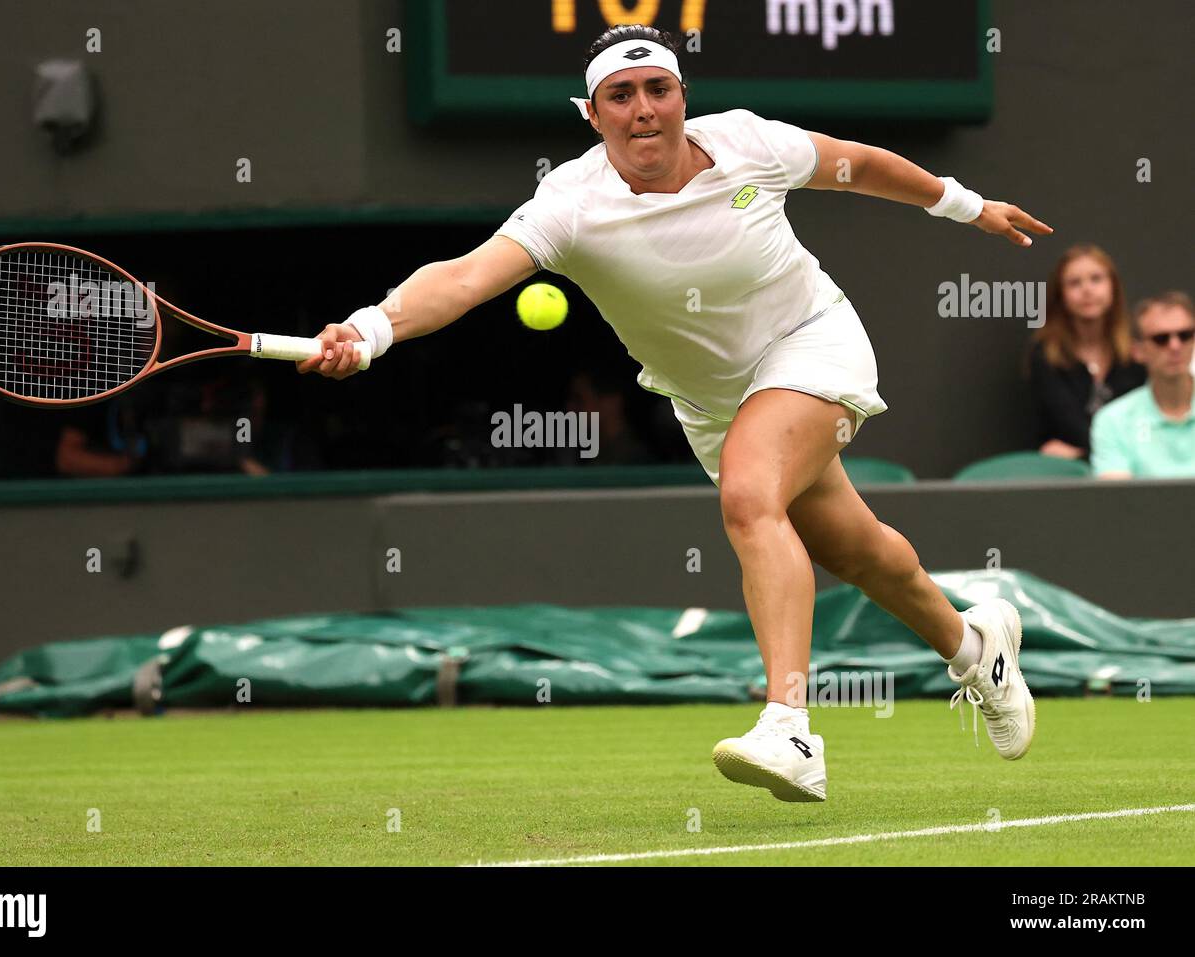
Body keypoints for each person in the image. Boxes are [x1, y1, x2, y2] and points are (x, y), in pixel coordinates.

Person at [299, 25, 1051, 803]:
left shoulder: (750, 143)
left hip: (811, 343)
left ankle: (791, 727)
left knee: (749, 496)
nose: (643, 110)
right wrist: (372, 328)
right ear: (592, 115)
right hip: (713, 403)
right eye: (620, 96)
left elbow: (859, 166)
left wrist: (967, 206)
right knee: (857, 552)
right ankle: (975, 646)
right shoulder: (569, 203)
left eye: (658, 89)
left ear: (683, 98)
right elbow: (463, 278)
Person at [1028, 245, 1146, 460]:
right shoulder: (1046, 356)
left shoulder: (1136, 355)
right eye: (1074, 283)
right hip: (1066, 475)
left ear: (1113, 288)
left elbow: (1143, 428)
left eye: (1096, 279)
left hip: (1129, 471)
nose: (1087, 290)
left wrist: (1082, 453)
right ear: (1060, 295)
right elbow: (1068, 423)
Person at [1091, 292, 1195, 479]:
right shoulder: (1113, 421)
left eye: (1185, 335)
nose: (1175, 346)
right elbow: (1119, 501)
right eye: (1161, 339)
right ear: (1138, 351)